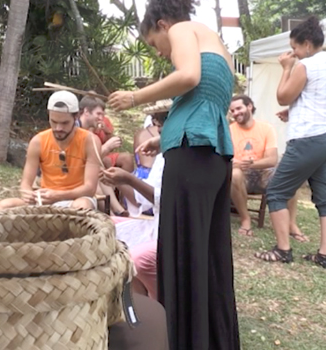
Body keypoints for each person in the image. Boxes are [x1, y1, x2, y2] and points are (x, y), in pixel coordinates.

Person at [106, 0, 241, 348]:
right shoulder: (218, 48)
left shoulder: (182, 29)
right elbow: (200, 98)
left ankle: (184, 339)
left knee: (182, 251)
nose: (161, 53)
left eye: (153, 43)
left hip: (193, 157)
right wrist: (165, 142)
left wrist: (135, 97)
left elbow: (188, 77)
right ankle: (212, 339)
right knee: (206, 254)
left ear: (163, 25)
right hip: (207, 155)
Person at [255, 17, 326, 267]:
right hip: (324, 138)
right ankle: (324, 254)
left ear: (307, 44)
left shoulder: (306, 65)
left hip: (306, 138)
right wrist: (294, 112)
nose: (292, 53)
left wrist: (286, 67)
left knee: (276, 191)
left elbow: (284, 96)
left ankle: (283, 250)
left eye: (295, 48)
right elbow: (315, 99)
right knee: (324, 197)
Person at [0, 90, 101, 211]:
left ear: (76, 117)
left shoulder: (90, 141)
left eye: (65, 123)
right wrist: (28, 194)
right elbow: (26, 183)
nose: (58, 128)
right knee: (4, 206)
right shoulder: (38, 141)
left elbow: (90, 188)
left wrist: (58, 196)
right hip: (44, 200)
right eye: (54, 122)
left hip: (76, 199)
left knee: (82, 206)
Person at [101, 111, 168, 300]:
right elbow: (145, 199)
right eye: (157, 128)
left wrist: (128, 179)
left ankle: (157, 304)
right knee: (104, 226)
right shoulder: (163, 155)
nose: (158, 133)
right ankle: (136, 302)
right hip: (155, 222)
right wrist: (121, 180)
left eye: (162, 128)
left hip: (171, 229)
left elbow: (162, 200)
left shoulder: (181, 155)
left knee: (136, 258)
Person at [229, 95, 306, 240]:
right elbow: (228, 158)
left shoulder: (266, 128)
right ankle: (246, 220)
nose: (235, 113)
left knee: (291, 176)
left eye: (238, 108)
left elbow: (272, 160)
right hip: (242, 177)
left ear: (249, 106)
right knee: (234, 174)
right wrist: (238, 163)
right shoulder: (229, 130)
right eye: (232, 111)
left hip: (264, 174)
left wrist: (251, 163)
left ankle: (291, 224)